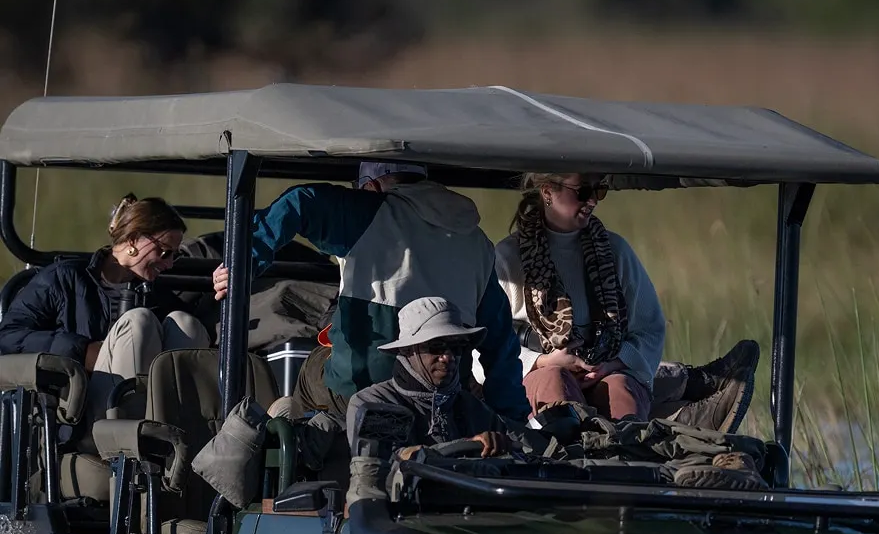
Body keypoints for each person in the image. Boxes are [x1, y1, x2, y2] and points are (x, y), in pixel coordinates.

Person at [212, 161, 529, 425]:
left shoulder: (368, 210)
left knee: (313, 366)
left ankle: (295, 459)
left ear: (373, 185)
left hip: (363, 387)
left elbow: (299, 202)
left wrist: (244, 262)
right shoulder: (478, 241)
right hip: (443, 393)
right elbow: (500, 342)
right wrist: (512, 418)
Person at [0, 193, 211, 422]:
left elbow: (203, 336)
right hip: (78, 410)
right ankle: (129, 439)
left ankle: (174, 435)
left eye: (175, 255)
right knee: (139, 322)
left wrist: (220, 288)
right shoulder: (65, 279)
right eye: (164, 251)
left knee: (186, 324)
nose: (169, 263)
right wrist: (82, 351)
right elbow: (9, 338)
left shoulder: (156, 295)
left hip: (152, 415)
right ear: (133, 239)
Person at [494, 172, 665, 422]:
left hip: (606, 371)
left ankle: (624, 454)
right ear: (547, 192)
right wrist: (543, 361)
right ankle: (562, 457)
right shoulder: (508, 256)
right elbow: (488, 342)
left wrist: (613, 363)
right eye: (583, 192)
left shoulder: (615, 250)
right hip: (541, 373)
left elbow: (650, 329)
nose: (593, 201)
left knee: (619, 392)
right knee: (554, 383)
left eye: (599, 191)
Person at [345, 296, 512, 461]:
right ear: (407, 350)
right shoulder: (377, 403)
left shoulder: (475, 409)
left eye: (457, 347)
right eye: (436, 347)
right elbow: (383, 462)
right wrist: (463, 446)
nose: (448, 357)